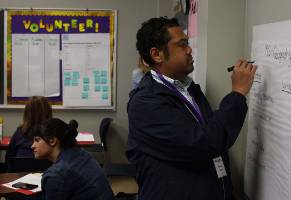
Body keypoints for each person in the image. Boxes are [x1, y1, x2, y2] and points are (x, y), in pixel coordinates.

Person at [126, 17, 256, 200]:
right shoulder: (145, 104)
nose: (189, 49)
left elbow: (209, 131)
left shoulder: (187, 88)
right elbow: (206, 141)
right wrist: (238, 94)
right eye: (182, 44)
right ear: (157, 54)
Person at [31, 118, 114, 200]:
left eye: (37, 140)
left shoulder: (57, 174)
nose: (32, 146)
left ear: (52, 141)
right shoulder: (82, 154)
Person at [6, 96, 52, 161]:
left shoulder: (20, 133)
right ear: (48, 112)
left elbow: (9, 158)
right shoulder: (53, 133)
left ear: (27, 113)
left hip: (20, 170)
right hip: (47, 170)